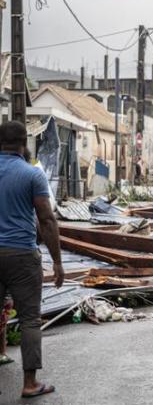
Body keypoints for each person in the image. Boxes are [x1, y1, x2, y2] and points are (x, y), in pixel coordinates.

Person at [0, 121, 63, 398]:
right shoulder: (31, 174)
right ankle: (29, 384)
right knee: (29, 320)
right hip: (22, 254)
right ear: (25, 143)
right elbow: (47, 220)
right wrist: (58, 261)